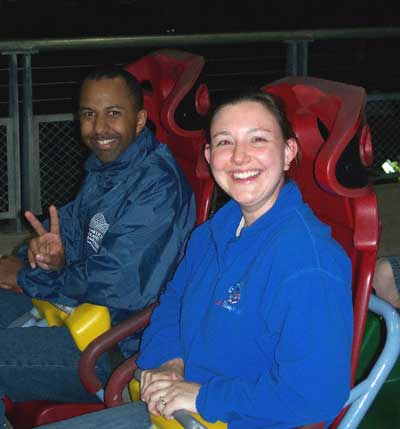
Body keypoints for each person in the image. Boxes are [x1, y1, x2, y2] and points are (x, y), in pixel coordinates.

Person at [36, 91, 353, 429]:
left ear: (288, 152)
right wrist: (169, 362)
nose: (240, 157)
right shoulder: (216, 231)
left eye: (258, 139)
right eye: (224, 142)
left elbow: (316, 397)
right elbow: (172, 303)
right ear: (209, 155)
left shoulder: (308, 265)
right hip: (177, 413)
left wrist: (202, 396)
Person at [0, 66, 196, 424]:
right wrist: (39, 253)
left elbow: (121, 284)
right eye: (89, 114)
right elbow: (71, 226)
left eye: (113, 113)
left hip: (113, 347)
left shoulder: (157, 186)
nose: (99, 128)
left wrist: (32, 278)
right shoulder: (107, 170)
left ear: (139, 121)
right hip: (75, 313)